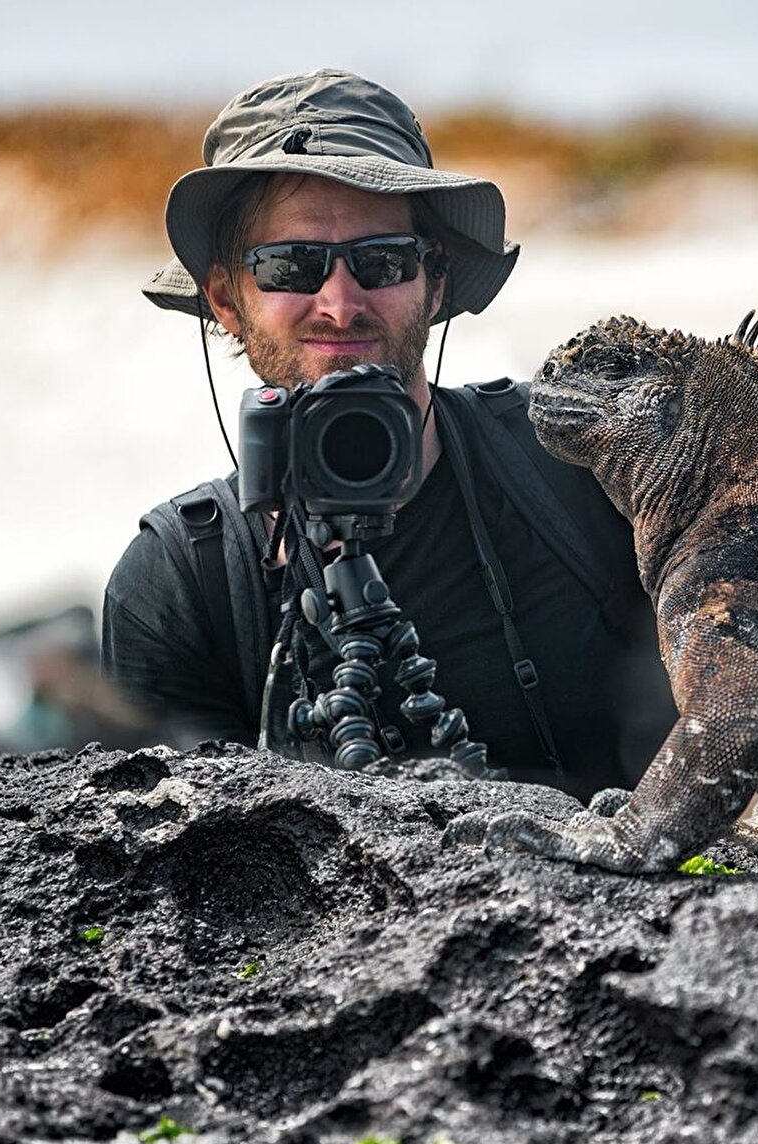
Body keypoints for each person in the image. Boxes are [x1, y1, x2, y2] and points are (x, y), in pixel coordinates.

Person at [102, 68, 677, 799]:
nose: (340, 305)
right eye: (291, 266)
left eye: (382, 261)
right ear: (225, 298)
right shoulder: (183, 582)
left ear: (435, 282)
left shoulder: (581, 467)